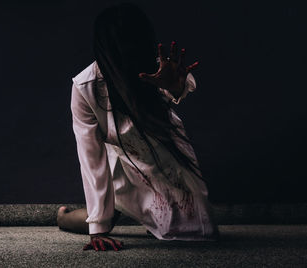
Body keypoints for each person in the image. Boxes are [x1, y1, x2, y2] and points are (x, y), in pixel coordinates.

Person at [57, 3, 220, 252]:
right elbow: (91, 157)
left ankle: (150, 216)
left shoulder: (154, 67)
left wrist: (175, 87)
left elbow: (181, 85)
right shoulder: (85, 87)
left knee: (198, 231)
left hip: (164, 157)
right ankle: (62, 216)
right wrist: (98, 228)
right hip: (121, 164)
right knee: (103, 218)